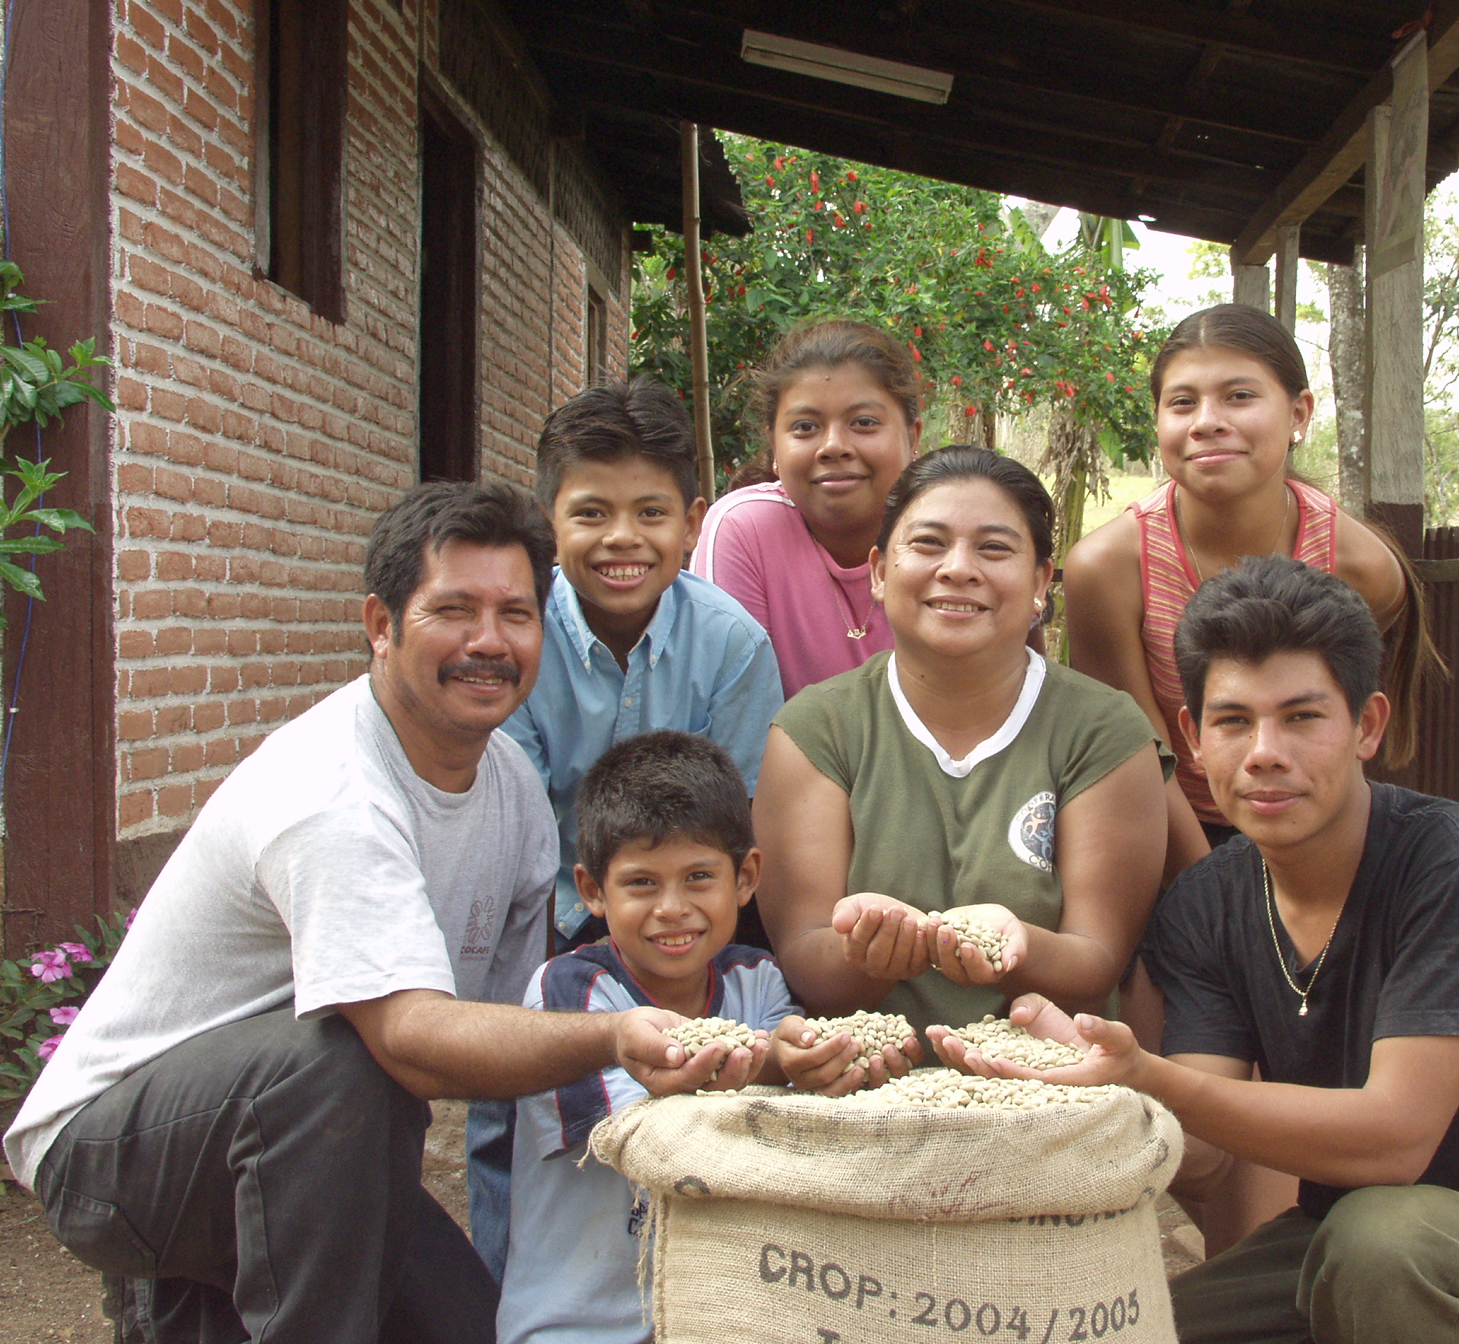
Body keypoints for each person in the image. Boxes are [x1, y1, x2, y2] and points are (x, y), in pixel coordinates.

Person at [3, 481, 765, 1344]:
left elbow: (510, 1031)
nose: (489, 641)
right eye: (454, 610)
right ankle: (182, 1289)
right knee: (341, 1058)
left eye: (516, 614)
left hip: (321, 1164)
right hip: (116, 1154)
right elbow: (406, 1041)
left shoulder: (510, 785)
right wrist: (617, 1033)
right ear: (381, 623)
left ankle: (204, 1300)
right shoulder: (332, 790)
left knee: (470, 1328)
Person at [936, 555, 1459, 1344]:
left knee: (1383, 1243)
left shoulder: (1458, 863)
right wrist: (1068, 1082)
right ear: (1193, 739)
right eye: (1233, 722)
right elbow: (1198, 1147)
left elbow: (1396, 1139)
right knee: (1124, 1329)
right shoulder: (1206, 904)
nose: (1265, 752)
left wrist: (1143, 1072)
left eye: (1302, 718)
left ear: (1367, 726)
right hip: (1332, 1245)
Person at [470, 376, 784, 1281]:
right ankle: (510, 1293)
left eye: (651, 512)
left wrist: (659, 921)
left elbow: (729, 801)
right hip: (547, 904)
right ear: (547, 519)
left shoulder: (731, 644)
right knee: (513, 1115)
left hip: (671, 916)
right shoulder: (518, 635)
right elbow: (518, 809)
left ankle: (682, 1291)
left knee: (688, 1106)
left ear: (692, 522)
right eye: (591, 512)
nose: (622, 539)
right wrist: (583, 936)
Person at [753, 447, 1170, 1085]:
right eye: (927, 544)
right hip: (861, 1093)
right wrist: (876, 949)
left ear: (1040, 581)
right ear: (878, 571)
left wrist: (1016, 945)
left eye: (995, 550)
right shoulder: (816, 729)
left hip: (1048, 1089)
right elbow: (808, 962)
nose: (958, 570)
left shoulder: (1104, 732)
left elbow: (1096, 962)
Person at [498, 730, 850, 1344]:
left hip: (720, 1316)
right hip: (581, 1324)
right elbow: (653, 1140)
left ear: (746, 879)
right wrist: (774, 1066)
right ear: (591, 891)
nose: (672, 908)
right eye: (641, 883)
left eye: (697, 877)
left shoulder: (756, 982)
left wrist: (813, 1062)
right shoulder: (574, 995)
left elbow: (789, 1115)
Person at [1063, 303, 1434, 878]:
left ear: (1299, 413)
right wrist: (1212, 889)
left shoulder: (1360, 567)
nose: (1206, 421)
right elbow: (1140, 759)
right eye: (1182, 402)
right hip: (1168, 836)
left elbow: (1338, 740)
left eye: (1239, 396)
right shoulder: (1107, 568)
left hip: (1317, 831)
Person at [692, 319, 922, 699]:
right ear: (774, 446)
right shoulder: (745, 529)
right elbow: (734, 717)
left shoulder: (951, 536)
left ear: (912, 437)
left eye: (864, 423)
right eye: (804, 427)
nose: (833, 446)